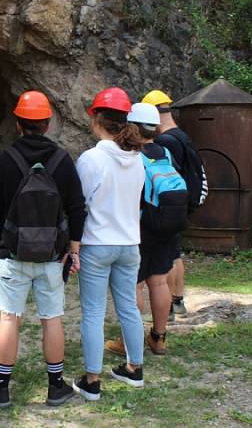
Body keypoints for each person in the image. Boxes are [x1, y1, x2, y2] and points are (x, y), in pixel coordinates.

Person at [0, 90, 86, 408]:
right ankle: (55, 386)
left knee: (9, 318)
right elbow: (78, 208)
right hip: (53, 256)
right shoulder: (63, 160)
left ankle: (1, 388)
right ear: (48, 124)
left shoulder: (3, 161)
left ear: (18, 124)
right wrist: (74, 250)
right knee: (52, 317)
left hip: (12, 253)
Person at [72, 87, 147, 402]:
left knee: (92, 310)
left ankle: (92, 380)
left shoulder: (91, 159)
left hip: (97, 244)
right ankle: (134, 369)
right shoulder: (137, 158)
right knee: (128, 306)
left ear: (96, 119)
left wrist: (72, 246)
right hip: (130, 244)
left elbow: (79, 204)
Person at [106, 102, 186, 357]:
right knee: (160, 281)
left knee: (135, 284)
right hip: (166, 225)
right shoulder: (165, 153)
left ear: (133, 126)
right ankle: (159, 338)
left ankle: (129, 341)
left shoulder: (132, 156)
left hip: (140, 226)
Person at [142, 89, 191, 319]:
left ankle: (170, 306)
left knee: (153, 275)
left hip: (157, 211)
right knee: (174, 255)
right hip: (177, 206)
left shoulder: (164, 143)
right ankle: (176, 300)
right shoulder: (182, 136)